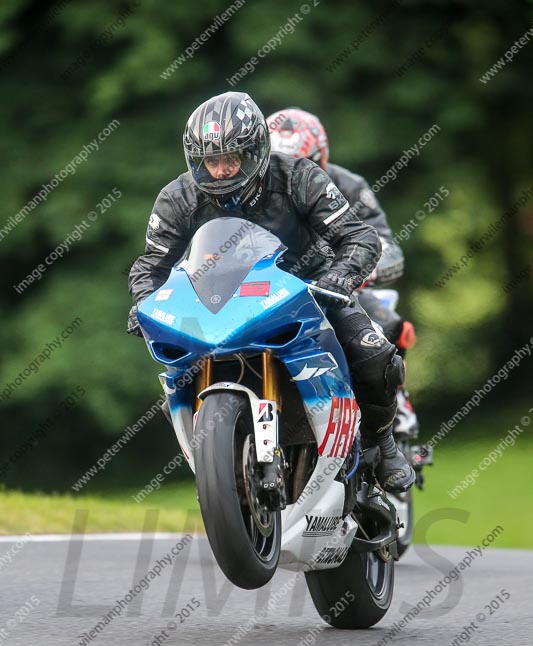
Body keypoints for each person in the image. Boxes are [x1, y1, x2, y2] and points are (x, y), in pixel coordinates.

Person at [127, 91, 415, 492]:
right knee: (177, 373)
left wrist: (340, 277)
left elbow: (360, 237)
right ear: (196, 159)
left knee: (374, 353)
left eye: (233, 158)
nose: (223, 170)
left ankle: (383, 443)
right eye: (212, 160)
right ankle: (218, 465)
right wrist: (144, 304)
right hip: (219, 303)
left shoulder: (300, 175)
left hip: (309, 290)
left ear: (257, 149)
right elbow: (150, 265)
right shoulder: (177, 198)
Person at [267, 107, 419, 438]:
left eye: (302, 163)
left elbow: (387, 246)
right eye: (278, 163)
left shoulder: (349, 185)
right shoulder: (254, 192)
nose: (290, 172)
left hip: (338, 284)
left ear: (320, 158)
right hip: (271, 291)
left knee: (383, 323)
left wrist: (355, 269)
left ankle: (395, 412)